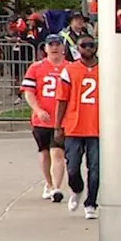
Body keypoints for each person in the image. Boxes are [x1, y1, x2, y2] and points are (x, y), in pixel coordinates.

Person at [52, 34, 101, 219]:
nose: (87, 48)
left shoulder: (105, 69)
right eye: (83, 45)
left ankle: (91, 203)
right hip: (74, 126)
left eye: (91, 45)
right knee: (72, 167)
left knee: (95, 168)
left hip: (96, 126)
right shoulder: (70, 70)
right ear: (77, 49)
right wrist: (58, 127)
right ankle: (77, 189)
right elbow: (61, 100)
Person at [21, 34, 70, 203]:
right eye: (51, 45)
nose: (54, 48)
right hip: (42, 118)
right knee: (44, 152)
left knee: (58, 152)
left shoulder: (69, 67)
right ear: (46, 48)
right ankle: (48, 184)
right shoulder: (36, 68)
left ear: (63, 47)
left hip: (61, 119)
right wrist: (37, 109)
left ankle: (57, 187)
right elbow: (29, 92)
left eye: (57, 44)